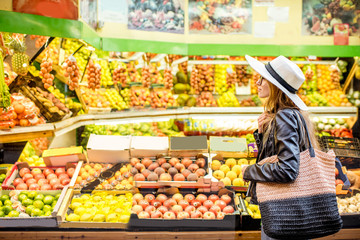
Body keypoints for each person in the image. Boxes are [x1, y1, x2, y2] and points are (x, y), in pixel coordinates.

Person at [241, 55, 319, 240]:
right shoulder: (291, 115)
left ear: (275, 86)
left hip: (282, 213)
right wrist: (262, 135)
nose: (257, 82)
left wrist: (249, 171)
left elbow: (287, 170)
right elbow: (277, 157)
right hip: (293, 210)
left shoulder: (284, 117)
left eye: (263, 79)